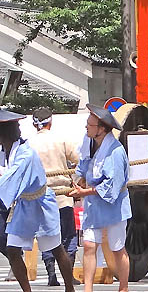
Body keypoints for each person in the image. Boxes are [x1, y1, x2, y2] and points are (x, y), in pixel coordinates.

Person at [0, 109, 76, 292]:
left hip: (42, 202)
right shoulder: (4, 151)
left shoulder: (26, 153)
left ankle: (69, 288)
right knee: (12, 249)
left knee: (56, 248)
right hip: (24, 204)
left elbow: (10, 178)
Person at [70, 105, 131, 292]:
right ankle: (88, 289)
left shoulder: (116, 151)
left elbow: (112, 185)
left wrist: (84, 192)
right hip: (93, 205)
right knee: (89, 246)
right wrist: (73, 181)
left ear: (101, 129)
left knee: (117, 248)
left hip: (114, 205)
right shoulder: (89, 142)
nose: (86, 127)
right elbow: (82, 165)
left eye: (90, 124)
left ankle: (124, 287)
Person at [28, 107, 79, 287]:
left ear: (34, 124)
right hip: (63, 195)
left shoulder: (29, 144)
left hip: (40, 196)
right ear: (51, 121)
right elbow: (79, 160)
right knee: (68, 236)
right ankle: (69, 275)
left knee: (47, 236)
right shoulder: (61, 139)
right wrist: (77, 181)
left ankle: (51, 273)